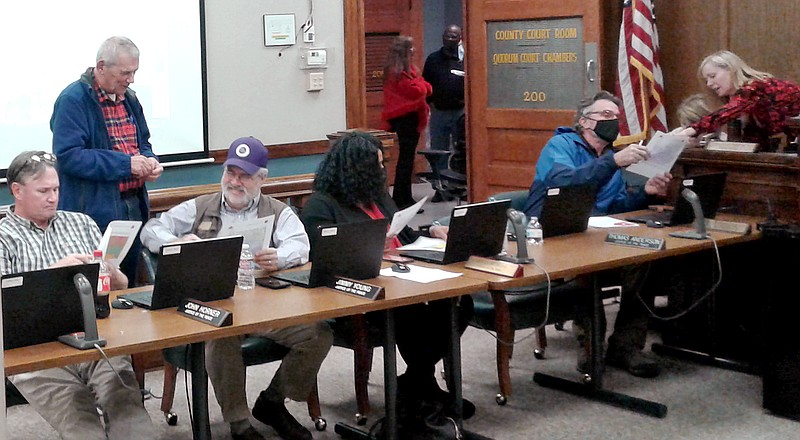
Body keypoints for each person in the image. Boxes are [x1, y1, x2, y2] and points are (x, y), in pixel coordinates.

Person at [140, 137, 333, 440]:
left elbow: (301, 245)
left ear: (261, 178)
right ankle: (239, 423)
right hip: (211, 307)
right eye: (230, 172)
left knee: (318, 333)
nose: (235, 181)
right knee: (221, 336)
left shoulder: (277, 211)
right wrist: (175, 242)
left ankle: (272, 401)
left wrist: (279, 256)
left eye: (244, 175)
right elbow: (151, 229)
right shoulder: (201, 206)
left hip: (261, 307)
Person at [299, 131, 477, 422]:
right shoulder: (322, 205)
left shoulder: (378, 196)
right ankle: (419, 386)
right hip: (359, 294)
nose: (381, 171)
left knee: (460, 303)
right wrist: (369, 250)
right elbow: (323, 260)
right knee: (414, 315)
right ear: (354, 168)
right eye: (375, 165)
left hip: (403, 277)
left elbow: (401, 235)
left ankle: (416, 381)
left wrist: (428, 232)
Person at [0, 151, 155, 440]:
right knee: (80, 420)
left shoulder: (80, 223)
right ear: (17, 191)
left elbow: (116, 288)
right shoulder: (3, 236)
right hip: (36, 350)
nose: (52, 197)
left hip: (92, 338)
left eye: (56, 189)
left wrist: (111, 271)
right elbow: (4, 304)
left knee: (127, 406)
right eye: (43, 191)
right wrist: (55, 273)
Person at [522, 91, 672, 378]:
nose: (612, 121)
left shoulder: (610, 157)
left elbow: (614, 207)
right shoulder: (561, 144)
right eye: (605, 115)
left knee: (646, 259)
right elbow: (563, 181)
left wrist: (644, 194)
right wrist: (612, 163)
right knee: (587, 268)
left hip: (597, 236)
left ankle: (626, 346)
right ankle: (590, 348)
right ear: (584, 121)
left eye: (616, 117)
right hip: (553, 237)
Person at [51, 36, 163, 286]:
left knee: (129, 284)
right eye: (125, 72)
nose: (131, 79)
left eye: (134, 72)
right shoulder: (73, 100)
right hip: (95, 215)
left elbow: (143, 142)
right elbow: (69, 156)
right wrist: (126, 164)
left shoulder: (130, 98)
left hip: (133, 207)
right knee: (101, 285)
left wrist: (150, 161)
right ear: (101, 67)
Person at [677, 50, 800, 145]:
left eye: (712, 76)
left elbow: (726, 113)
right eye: (706, 80)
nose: (709, 84)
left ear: (731, 69)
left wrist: (688, 132)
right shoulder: (741, 99)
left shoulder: (756, 87)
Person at [381, 35, 433, 209]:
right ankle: (401, 199)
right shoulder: (396, 72)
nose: (413, 51)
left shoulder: (403, 69)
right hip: (405, 118)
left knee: (407, 159)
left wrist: (421, 85)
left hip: (409, 117)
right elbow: (417, 90)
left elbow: (424, 87)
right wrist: (421, 84)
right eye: (410, 48)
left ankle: (405, 197)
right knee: (405, 159)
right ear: (404, 51)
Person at [422, 24, 465, 201]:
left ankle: (460, 187)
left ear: (460, 38)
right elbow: (425, 84)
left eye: (454, 36)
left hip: (460, 112)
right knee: (438, 152)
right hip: (439, 112)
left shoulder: (465, 59)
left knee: (461, 151)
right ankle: (440, 189)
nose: (450, 39)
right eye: (447, 35)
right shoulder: (433, 59)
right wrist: (431, 103)